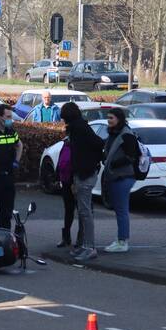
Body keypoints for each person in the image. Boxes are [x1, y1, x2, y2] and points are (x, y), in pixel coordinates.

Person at [61, 101, 104, 261]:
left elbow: (94, 145)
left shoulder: (78, 129)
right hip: (85, 172)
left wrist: (86, 166)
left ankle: (89, 246)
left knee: (85, 212)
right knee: (83, 212)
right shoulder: (81, 127)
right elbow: (97, 143)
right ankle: (85, 245)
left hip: (84, 174)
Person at [101, 108, 140, 253]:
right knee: (119, 209)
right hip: (116, 176)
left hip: (123, 176)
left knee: (122, 210)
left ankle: (123, 242)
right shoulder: (114, 133)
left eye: (111, 118)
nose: (109, 120)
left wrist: (112, 163)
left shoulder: (127, 135)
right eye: (108, 117)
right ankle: (121, 239)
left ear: (119, 119)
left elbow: (131, 156)